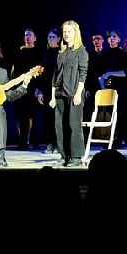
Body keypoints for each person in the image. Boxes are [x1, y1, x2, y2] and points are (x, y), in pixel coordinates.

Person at [48, 20, 89, 167]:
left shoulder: (81, 51)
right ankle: (64, 155)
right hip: (60, 93)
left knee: (73, 125)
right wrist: (53, 95)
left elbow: (83, 74)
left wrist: (78, 94)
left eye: (69, 31)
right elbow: (56, 75)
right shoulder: (61, 53)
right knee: (60, 126)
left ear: (75, 33)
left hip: (74, 93)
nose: (65, 34)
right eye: (64, 31)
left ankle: (76, 157)